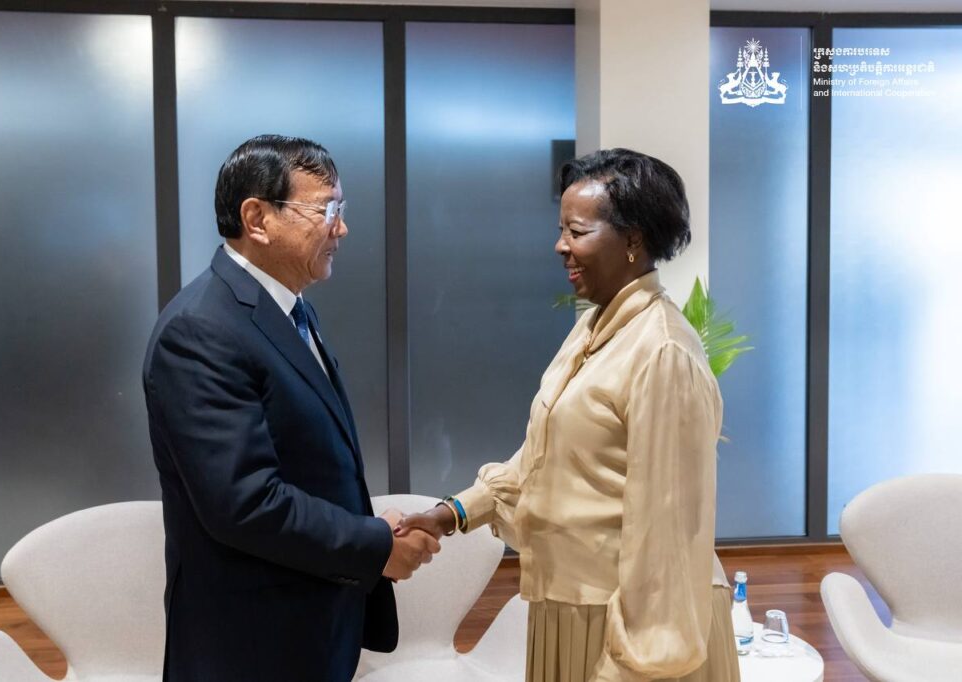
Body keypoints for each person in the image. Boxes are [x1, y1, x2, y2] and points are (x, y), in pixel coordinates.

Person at [398, 149, 740, 681]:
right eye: (561, 230)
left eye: (576, 232)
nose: (561, 246)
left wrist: (632, 665)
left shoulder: (663, 351)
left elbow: (668, 534)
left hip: (632, 624)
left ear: (633, 239)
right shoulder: (592, 327)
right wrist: (453, 513)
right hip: (571, 606)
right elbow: (543, 458)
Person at [143, 135, 439, 682]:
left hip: (311, 615)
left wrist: (367, 529)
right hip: (252, 638)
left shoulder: (289, 308)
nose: (341, 228)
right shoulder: (201, 330)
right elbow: (245, 503)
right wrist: (373, 544)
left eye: (341, 209)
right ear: (257, 219)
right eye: (325, 210)